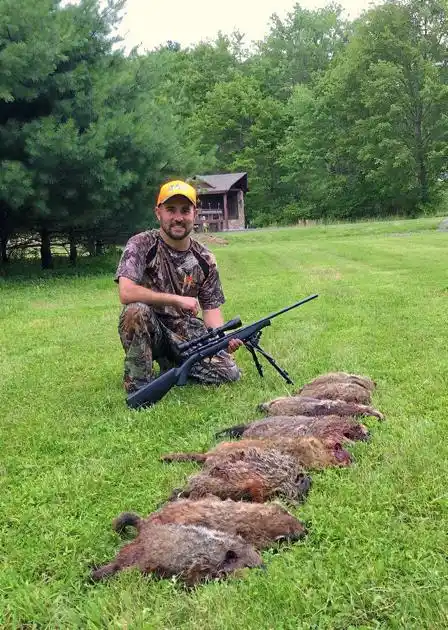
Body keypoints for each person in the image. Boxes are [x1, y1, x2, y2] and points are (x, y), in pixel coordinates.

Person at [114, 179, 243, 394]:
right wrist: (175, 299)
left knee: (229, 373)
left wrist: (222, 341)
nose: (178, 218)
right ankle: (139, 381)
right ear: (158, 213)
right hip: (150, 328)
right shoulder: (141, 244)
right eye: (170, 210)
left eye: (185, 210)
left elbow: (211, 310)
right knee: (135, 311)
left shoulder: (205, 258)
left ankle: (175, 365)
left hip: (186, 334)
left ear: (195, 213)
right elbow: (126, 292)